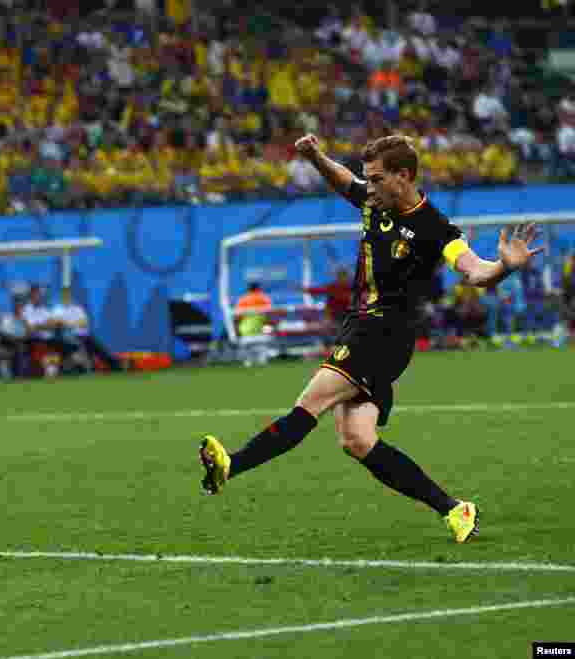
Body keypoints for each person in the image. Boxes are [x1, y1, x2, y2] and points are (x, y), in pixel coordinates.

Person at [199, 134, 543, 544]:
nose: (370, 187)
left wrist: (505, 266)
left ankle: (231, 466)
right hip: (362, 326)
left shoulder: (434, 227)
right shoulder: (372, 201)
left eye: (377, 179)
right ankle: (454, 509)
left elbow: (474, 272)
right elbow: (344, 181)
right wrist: (315, 157)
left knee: (311, 403)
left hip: (384, 333)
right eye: (369, 179)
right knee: (357, 439)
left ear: (403, 176)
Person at [52, 286, 122, 372]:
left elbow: (84, 322)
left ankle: (116, 366)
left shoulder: (77, 308)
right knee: (80, 347)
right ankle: (86, 367)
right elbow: (59, 323)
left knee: (99, 348)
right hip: (70, 336)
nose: (66, 296)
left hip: (85, 334)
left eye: (68, 294)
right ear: (61, 296)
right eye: (64, 295)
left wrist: (70, 324)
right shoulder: (57, 309)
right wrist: (74, 324)